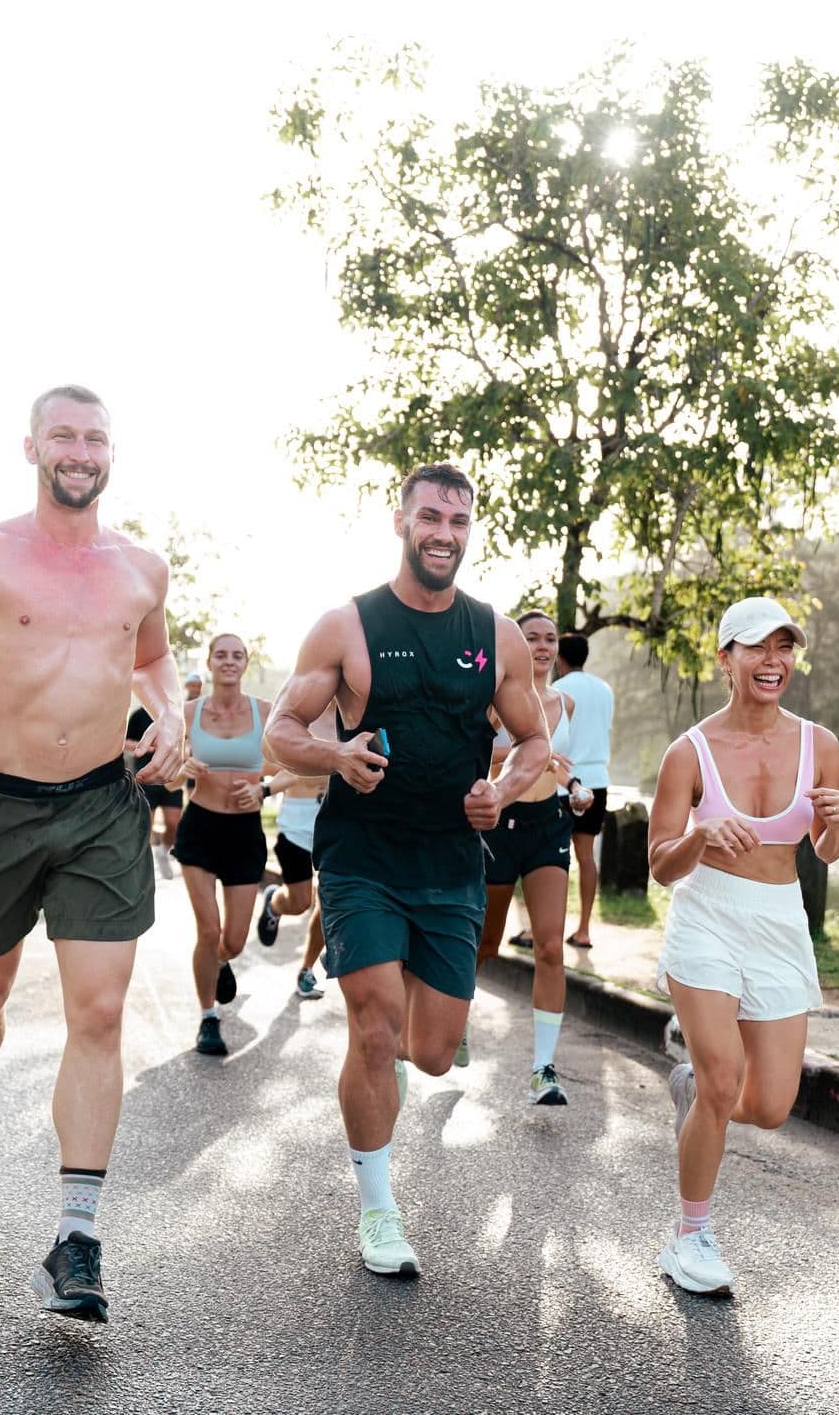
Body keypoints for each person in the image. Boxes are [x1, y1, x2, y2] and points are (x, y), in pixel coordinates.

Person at [0, 384, 183, 1324]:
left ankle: (76, 1240)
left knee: (98, 1012)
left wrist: (169, 714)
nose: (81, 451)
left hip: (102, 806)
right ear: (32, 448)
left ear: (111, 453)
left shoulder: (142, 568)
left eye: (96, 438)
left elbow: (155, 660)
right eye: (64, 435)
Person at [263, 462, 549, 1278]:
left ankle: (415, 1060)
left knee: (431, 1050)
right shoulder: (346, 625)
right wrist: (333, 752)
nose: (444, 535)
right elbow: (282, 730)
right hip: (362, 856)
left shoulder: (492, 633)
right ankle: (379, 1210)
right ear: (401, 522)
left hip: (452, 861)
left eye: (458, 523)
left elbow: (535, 743)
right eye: (430, 517)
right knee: (377, 1028)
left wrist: (502, 789)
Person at [647, 596, 839, 1296]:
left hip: (779, 921)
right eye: (758, 648)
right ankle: (690, 1237)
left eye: (784, 648)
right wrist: (699, 837)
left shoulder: (819, 744)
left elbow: (826, 848)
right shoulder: (689, 752)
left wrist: (835, 826)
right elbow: (660, 863)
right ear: (725, 659)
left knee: (768, 1107)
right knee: (726, 1080)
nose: (774, 662)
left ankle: (692, 1090)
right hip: (706, 915)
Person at [466, 610, 593, 1100]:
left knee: (550, 946)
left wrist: (576, 786)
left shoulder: (567, 703)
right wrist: (516, 755)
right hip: (499, 825)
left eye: (549, 639)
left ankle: (544, 1068)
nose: (542, 646)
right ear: (516, 645)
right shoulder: (495, 700)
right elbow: (474, 755)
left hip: (548, 827)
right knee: (487, 944)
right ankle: (455, 1017)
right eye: (531, 638)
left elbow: (558, 765)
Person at [171, 632, 273, 1056]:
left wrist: (265, 789)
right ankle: (208, 1018)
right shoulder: (189, 712)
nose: (228, 661)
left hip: (245, 833)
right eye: (221, 655)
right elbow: (165, 773)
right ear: (209, 662)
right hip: (200, 828)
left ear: (245, 663)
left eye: (237, 655)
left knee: (232, 939)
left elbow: (297, 769)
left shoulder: (266, 713)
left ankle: (223, 961)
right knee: (208, 929)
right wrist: (182, 767)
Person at [256, 709, 336, 995]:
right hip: (296, 826)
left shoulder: (356, 714)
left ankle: (307, 970)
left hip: (336, 823)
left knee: (330, 899)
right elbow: (267, 763)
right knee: (301, 902)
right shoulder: (299, 712)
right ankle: (274, 903)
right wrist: (269, 785)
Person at [554, 631, 614, 948]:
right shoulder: (605, 690)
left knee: (555, 859)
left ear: (558, 657)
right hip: (598, 780)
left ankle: (544, 929)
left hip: (563, 779)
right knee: (587, 857)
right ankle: (584, 929)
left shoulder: (556, 690)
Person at [124, 702, 183, 877]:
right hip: (145, 777)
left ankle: (163, 852)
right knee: (145, 826)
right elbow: (125, 742)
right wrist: (147, 745)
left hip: (172, 777)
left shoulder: (176, 715)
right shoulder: (138, 716)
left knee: (174, 824)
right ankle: (145, 866)